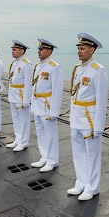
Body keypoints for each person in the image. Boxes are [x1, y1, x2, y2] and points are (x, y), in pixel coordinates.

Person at [67, 33, 108, 201]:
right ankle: (81, 182)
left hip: (89, 119)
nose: (79, 51)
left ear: (92, 50)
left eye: (82, 48)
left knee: (91, 155)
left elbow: (102, 100)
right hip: (77, 117)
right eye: (78, 48)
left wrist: (98, 126)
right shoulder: (78, 68)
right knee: (78, 153)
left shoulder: (98, 70)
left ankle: (92, 187)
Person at [30, 38, 63, 172]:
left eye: (41, 49)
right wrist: (32, 105)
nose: (39, 51)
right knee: (40, 132)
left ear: (49, 51)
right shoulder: (38, 66)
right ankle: (44, 156)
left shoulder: (54, 67)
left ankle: (52, 160)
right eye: (38, 49)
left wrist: (54, 112)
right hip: (38, 104)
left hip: (47, 105)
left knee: (50, 134)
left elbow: (57, 90)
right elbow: (34, 87)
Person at [6, 40, 34, 151]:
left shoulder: (27, 64)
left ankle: (23, 142)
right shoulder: (15, 63)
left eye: (14, 50)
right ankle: (17, 139)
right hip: (13, 94)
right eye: (12, 50)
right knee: (16, 119)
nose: (12, 52)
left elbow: (28, 84)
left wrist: (26, 100)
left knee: (23, 120)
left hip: (21, 96)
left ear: (22, 51)